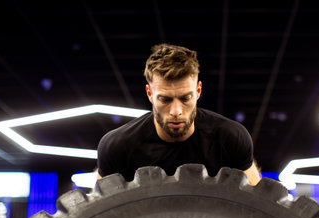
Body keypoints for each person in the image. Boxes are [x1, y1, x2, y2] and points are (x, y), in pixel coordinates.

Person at [97, 43, 261, 185]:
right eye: (165, 99)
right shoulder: (117, 147)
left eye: (185, 98)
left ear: (198, 91)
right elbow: (98, 213)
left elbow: (258, 204)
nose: (176, 111)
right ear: (149, 94)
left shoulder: (231, 138)